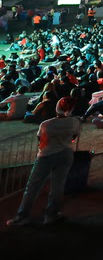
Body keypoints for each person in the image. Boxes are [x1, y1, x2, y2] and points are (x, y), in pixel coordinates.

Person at [7, 96, 82, 226]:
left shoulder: (46, 124)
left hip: (46, 155)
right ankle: (51, 215)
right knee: (58, 186)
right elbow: (73, 138)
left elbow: (40, 139)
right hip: (65, 154)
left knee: (33, 186)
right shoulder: (75, 122)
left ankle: (22, 216)